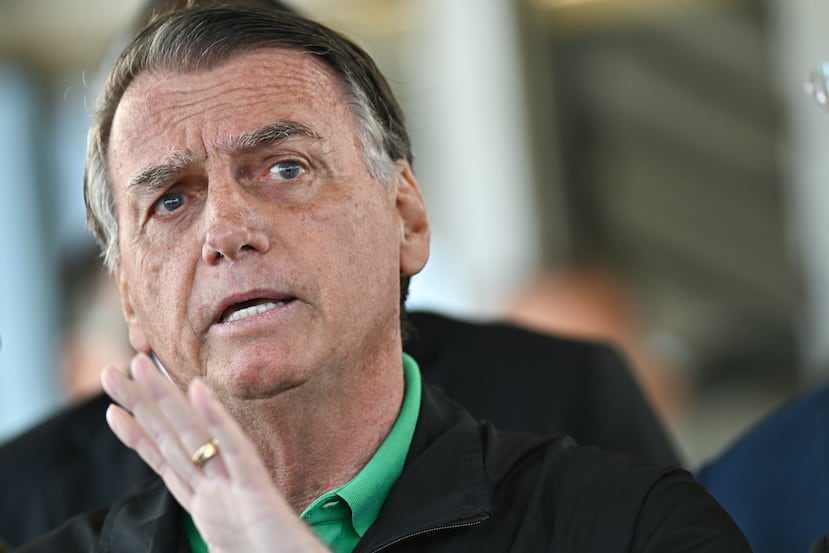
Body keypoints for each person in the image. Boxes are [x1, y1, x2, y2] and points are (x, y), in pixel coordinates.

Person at [15, 5, 748, 552]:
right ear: (128, 298)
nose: (226, 230)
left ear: (407, 218)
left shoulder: (633, 526)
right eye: (171, 201)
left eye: (285, 169)